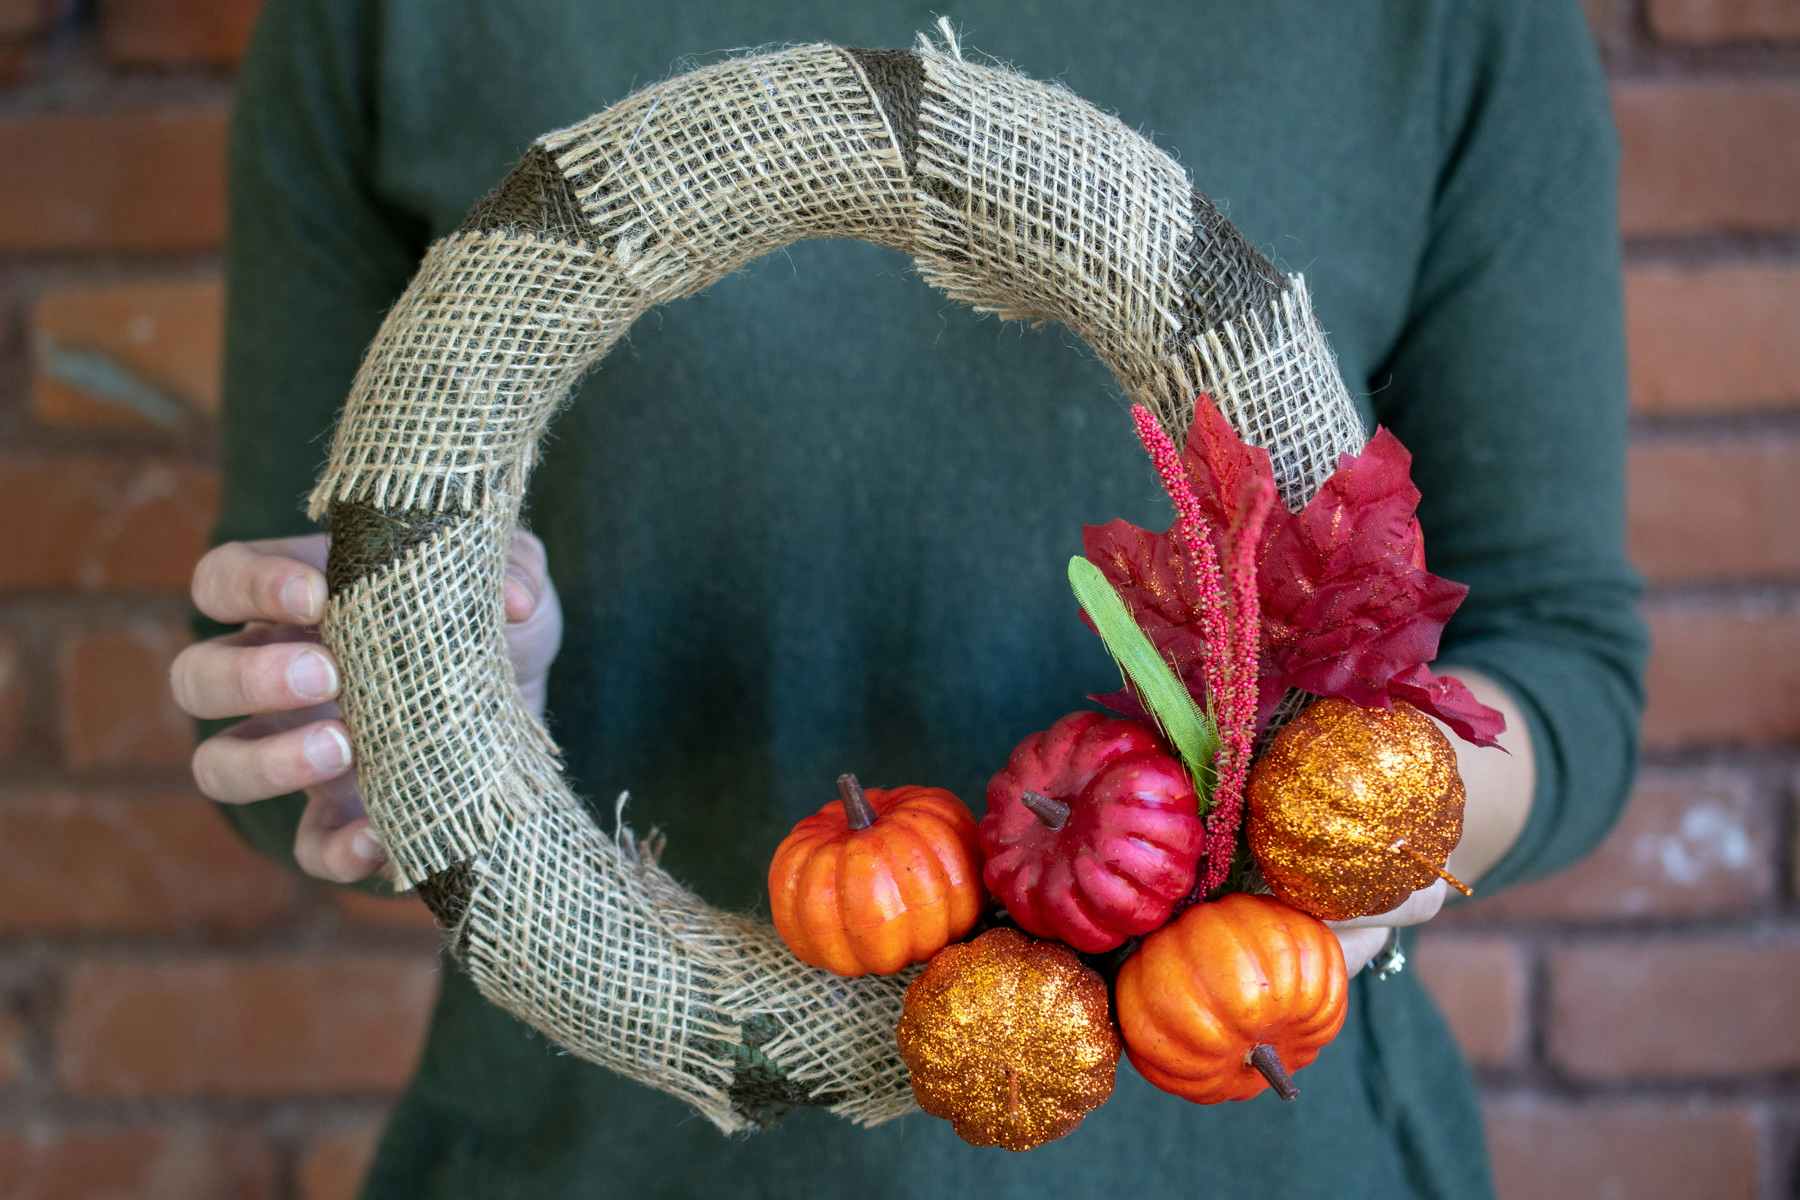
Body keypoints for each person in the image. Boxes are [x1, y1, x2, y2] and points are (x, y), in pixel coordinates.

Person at [171, 2, 1646, 1196]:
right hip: (589, 1155)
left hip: (1258, 1140)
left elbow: (1562, 663)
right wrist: (391, 704)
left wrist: (1362, 813)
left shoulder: (1449, 24)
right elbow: (276, 645)